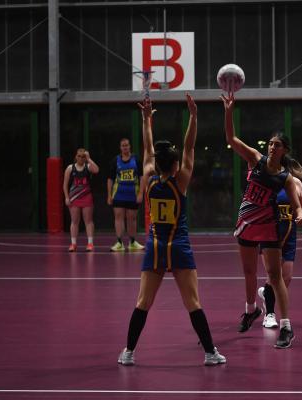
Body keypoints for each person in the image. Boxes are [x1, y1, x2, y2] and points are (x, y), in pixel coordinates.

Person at [118, 94, 226, 367]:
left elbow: (147, 147)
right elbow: (190, 147)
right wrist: (194, 116)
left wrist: (146, 119)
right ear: (176, 165)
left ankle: (128, 352)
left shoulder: (150, 179)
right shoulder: (181, 182)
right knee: (193, 302)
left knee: (143, 302)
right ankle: (210, 353)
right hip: (178, 245)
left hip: (155, 245)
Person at [221, 93, 302, 349]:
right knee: (248, 272)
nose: (271, 148)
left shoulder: (286, 178)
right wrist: (228, 111)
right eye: (270, 143)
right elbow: (231, 139)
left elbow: (297, 206)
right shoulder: (255, 159)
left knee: (274, 276)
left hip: (268, 228)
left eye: (277, 145)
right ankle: (250, 310)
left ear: (285, 150)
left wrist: (300, 216)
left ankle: (287, 327)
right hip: (246, 222)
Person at [258, 159, 302, 328]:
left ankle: (267, 295)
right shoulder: (266, 182)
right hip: (269, 234)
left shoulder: (295, 184)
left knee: (286, 278)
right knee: (273, 276)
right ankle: (269, 314)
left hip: (288, 236)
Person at [107, 138, 145, 252]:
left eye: (127, 145)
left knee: (132, 219)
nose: (125, 147)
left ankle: (132, 242)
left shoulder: (136, 159)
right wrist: (109, 195)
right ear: (120, 148)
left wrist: (141, 193)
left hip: (132, 194)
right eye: (123, 146)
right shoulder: (115, 161)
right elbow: (110, 179)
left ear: (130, 147)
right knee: (118, 217)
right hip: (118, 194)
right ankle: (119, 242)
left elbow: (142, 177)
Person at [62, 148, 99, 252]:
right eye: (79, 156)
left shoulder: (88, 166)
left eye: (83, 156)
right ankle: (73, 244)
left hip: (86, 197)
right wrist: (66, 197)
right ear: (75, 157)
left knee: (88, 221)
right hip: (74, 197)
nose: (81, 158)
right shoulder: (70, 168)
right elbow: (64, 185)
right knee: (74, 221)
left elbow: (96, 170)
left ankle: (90, 243)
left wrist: (89, 159)